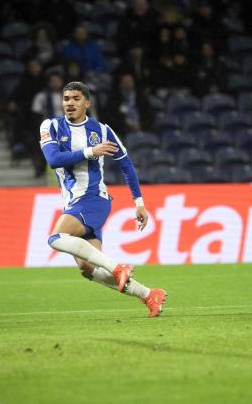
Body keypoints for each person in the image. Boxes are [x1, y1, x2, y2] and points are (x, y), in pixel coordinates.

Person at [39, 81, 166, 317]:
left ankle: (118, 267)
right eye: (66, 99)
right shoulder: (51, 126)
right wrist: (91, 152)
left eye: (76, 99)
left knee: (56, 238)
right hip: (74, 202)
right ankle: (149, 295)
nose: (70, 103)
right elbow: (54, 159)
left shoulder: (103, 131)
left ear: (87, 103)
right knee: (87, 269)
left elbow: (126, 164)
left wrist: (139, 203)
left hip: (94, 198)